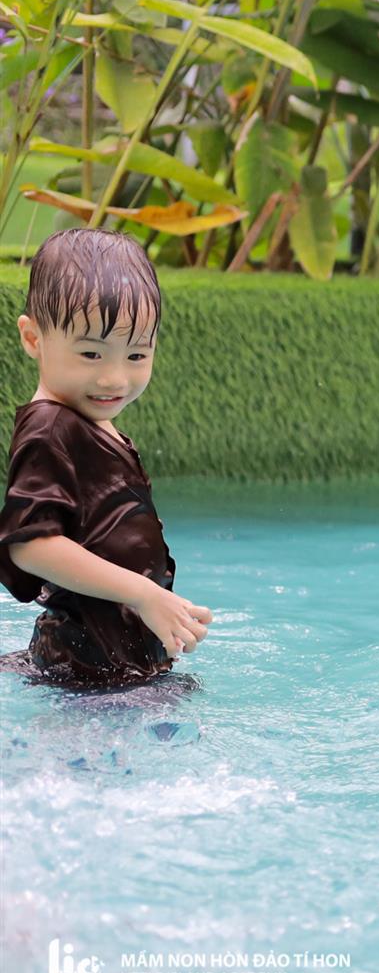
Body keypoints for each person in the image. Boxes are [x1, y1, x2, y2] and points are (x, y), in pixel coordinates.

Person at [0, 228, 212, 688]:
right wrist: (143, 594)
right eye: (92, 353)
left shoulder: (82, 418)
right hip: (88, 667)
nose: (114, 378)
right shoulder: (49, 429)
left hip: (102, 658)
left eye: (136, 355)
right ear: (33, 338)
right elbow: (30, 544)